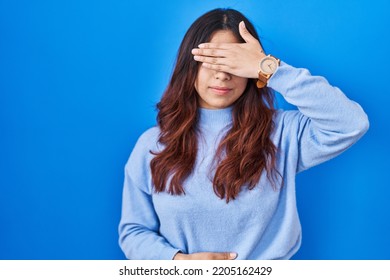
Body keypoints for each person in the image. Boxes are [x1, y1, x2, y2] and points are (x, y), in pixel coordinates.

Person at [118, 8, 369, 260]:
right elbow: (133, 231)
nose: (222, 74)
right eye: (212, 60)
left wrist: (270, 68)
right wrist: (178, 262)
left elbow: (351, 123)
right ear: (189, 66)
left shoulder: (282, 133)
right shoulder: (152, 144)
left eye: (234, 63)